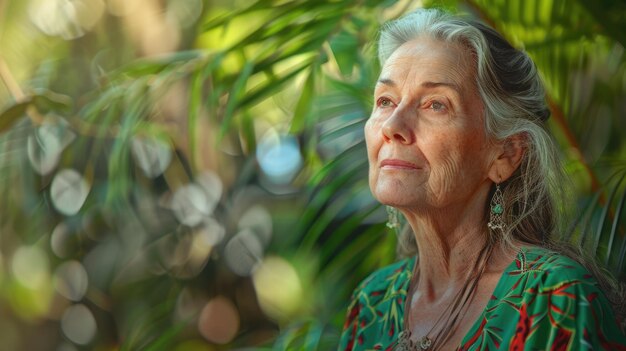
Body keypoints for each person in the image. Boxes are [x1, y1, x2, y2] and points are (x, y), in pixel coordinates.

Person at [338, 8, 626, 351]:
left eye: (435, 105)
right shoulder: (371, 302)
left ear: (505, 155)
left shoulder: (552, 299)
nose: (392, 127)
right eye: (385, 101)